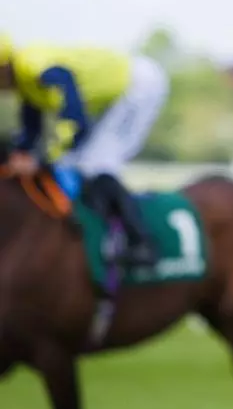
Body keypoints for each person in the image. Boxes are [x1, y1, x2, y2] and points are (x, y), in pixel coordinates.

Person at [0, 33, 169, 265]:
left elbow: (74, 116)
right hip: (115, 94)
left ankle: (142, 242)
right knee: (79, 161)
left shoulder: (32, 66)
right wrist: (23, 153)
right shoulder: (25, 84)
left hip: (139, 85)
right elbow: (31, 130)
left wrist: (44, 159)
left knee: (96, 164)